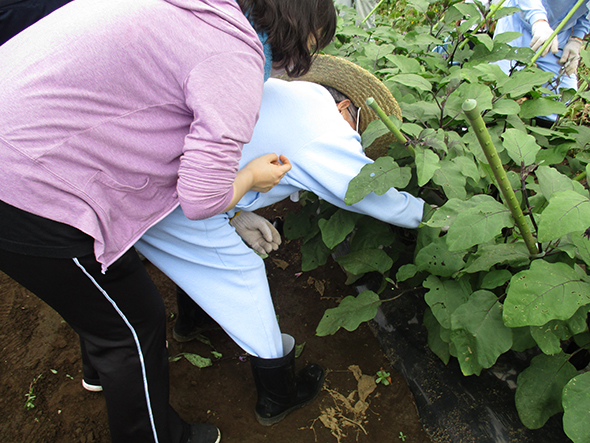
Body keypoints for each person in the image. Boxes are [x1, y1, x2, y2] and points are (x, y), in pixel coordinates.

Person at [0, 0, 337, 442]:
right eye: (312, 44)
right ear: (299, 28)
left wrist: (233, 209)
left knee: (100, 295)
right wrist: (251, 176)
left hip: (27, 132)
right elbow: (200, 198)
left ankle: (98, 369)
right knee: (132, 327)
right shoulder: (234, 54)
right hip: (25, 184)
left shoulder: (195, 10)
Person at [132, 55, 425, 425]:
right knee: (241, 276)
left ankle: (193, 322)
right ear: (345, 106)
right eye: (358, 130)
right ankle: (278, 395)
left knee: (201, 259)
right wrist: (434, 217)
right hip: (169, 201)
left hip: (159, 180)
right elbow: (371, 192)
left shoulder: (292, 93)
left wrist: (236, 214)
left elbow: (239, 154)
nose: (356, 141)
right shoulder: (325, 126)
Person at [493, 0, 590, 121]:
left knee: (561, 101)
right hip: (519, 23)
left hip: (558, 35)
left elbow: (587, 13)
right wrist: (538, 21)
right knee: (499, 85)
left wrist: (576, 38)